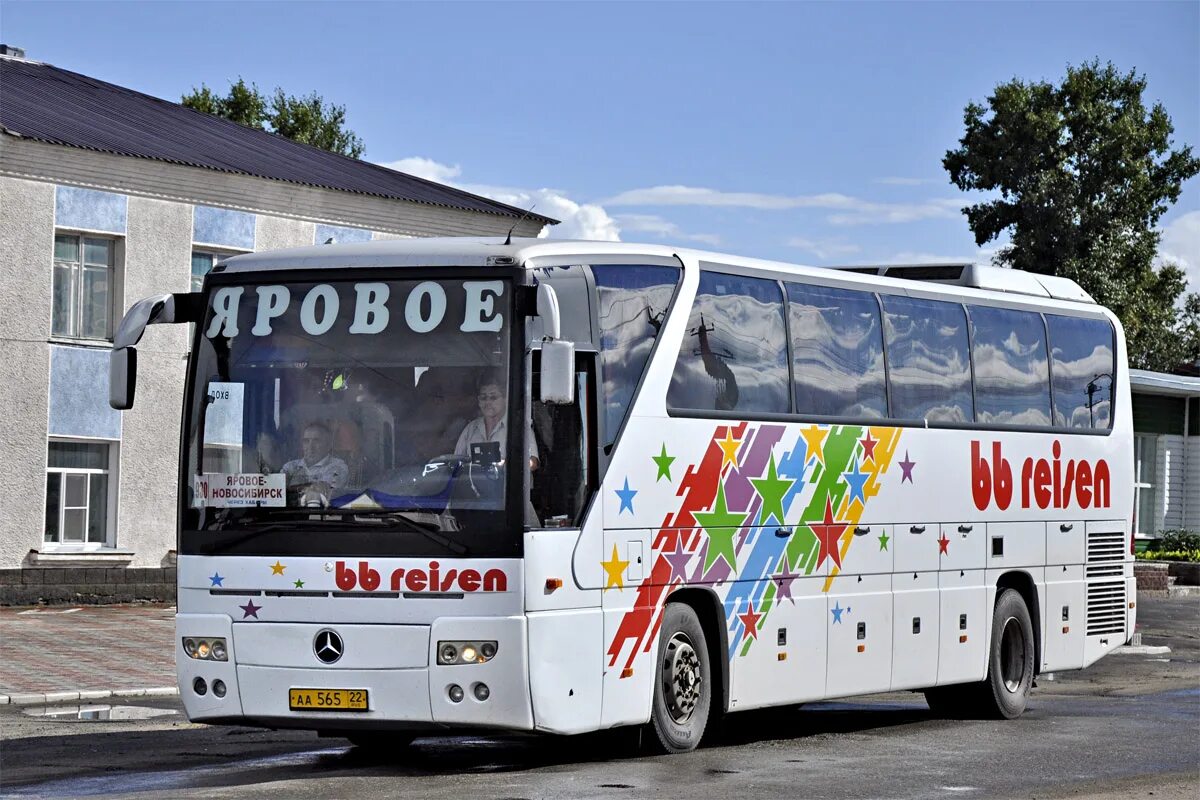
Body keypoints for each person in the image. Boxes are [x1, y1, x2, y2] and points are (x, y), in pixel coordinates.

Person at [454, 374, 539, 471]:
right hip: (475, 485)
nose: (488, 402)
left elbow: (533, 463)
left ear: (505, 399)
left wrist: (505, 464)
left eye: (493, 397)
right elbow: (456, 461)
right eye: (483, 398)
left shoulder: (518, 427)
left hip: (508, 485)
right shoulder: (471, 428)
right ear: (478, 401)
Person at [282, 422, 350, 498]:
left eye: (316, 441)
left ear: (328, 445)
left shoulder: (338, 467)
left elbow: (323, 490)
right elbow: (278, 487)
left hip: (323, 509)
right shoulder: (290, 466)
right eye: (306, 441)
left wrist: (289, 488)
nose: (310, 447)